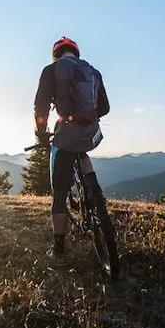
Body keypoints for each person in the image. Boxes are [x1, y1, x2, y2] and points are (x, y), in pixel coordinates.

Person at [33, 37, 111, 264]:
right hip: (91, 134)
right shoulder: (93, 71)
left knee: (58, 192)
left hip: (66, 134)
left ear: (56, 54)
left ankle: (58, 247)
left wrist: (41, 132)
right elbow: (104, 107)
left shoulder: (51, 70)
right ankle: (93, 188)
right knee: (82, 152)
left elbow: (41, 105)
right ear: (75, 52)